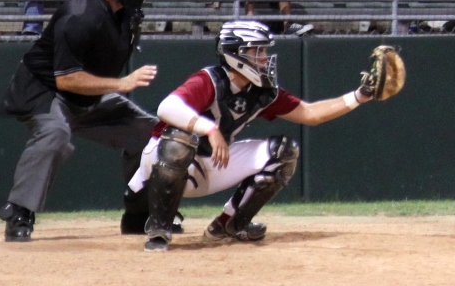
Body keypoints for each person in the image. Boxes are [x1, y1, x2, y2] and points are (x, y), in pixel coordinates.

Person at [125, 20, 383, 251]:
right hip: (160, 164)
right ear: (236, 54)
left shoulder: (262, 91)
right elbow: (166, 108)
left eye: (264, 51)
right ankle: (159, 230)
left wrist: (360, 96)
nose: (264, 58)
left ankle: (228, 225)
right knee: (179, 142)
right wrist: (209, 129)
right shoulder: (209, 80)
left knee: (284, 151)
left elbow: (311, 113)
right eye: (257, 51)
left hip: (207, 163)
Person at [0, 0, 161, 242]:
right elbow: (67, 80)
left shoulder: (127, 12)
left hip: (86, 95)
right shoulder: (80, 15)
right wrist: (121, 84)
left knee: (149, 134)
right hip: (43, 89)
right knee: (56, 133)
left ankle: (139, 215)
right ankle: (20, 211)